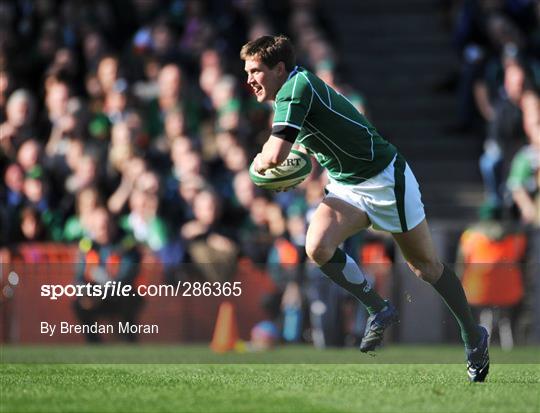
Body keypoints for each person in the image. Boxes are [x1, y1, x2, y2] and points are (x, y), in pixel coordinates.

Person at [242, 35, 490, 382]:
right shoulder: (290, 92)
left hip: (386, 180)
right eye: (247, 71)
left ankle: (473, 335)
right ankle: (378, 308)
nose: (249, 78)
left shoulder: (295, 89)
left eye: (255, 70)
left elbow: (275, 156)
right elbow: (303, 151)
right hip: (347, 184)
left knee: (425, 267)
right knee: (316, 246)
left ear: (279, 69)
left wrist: (256, 169)